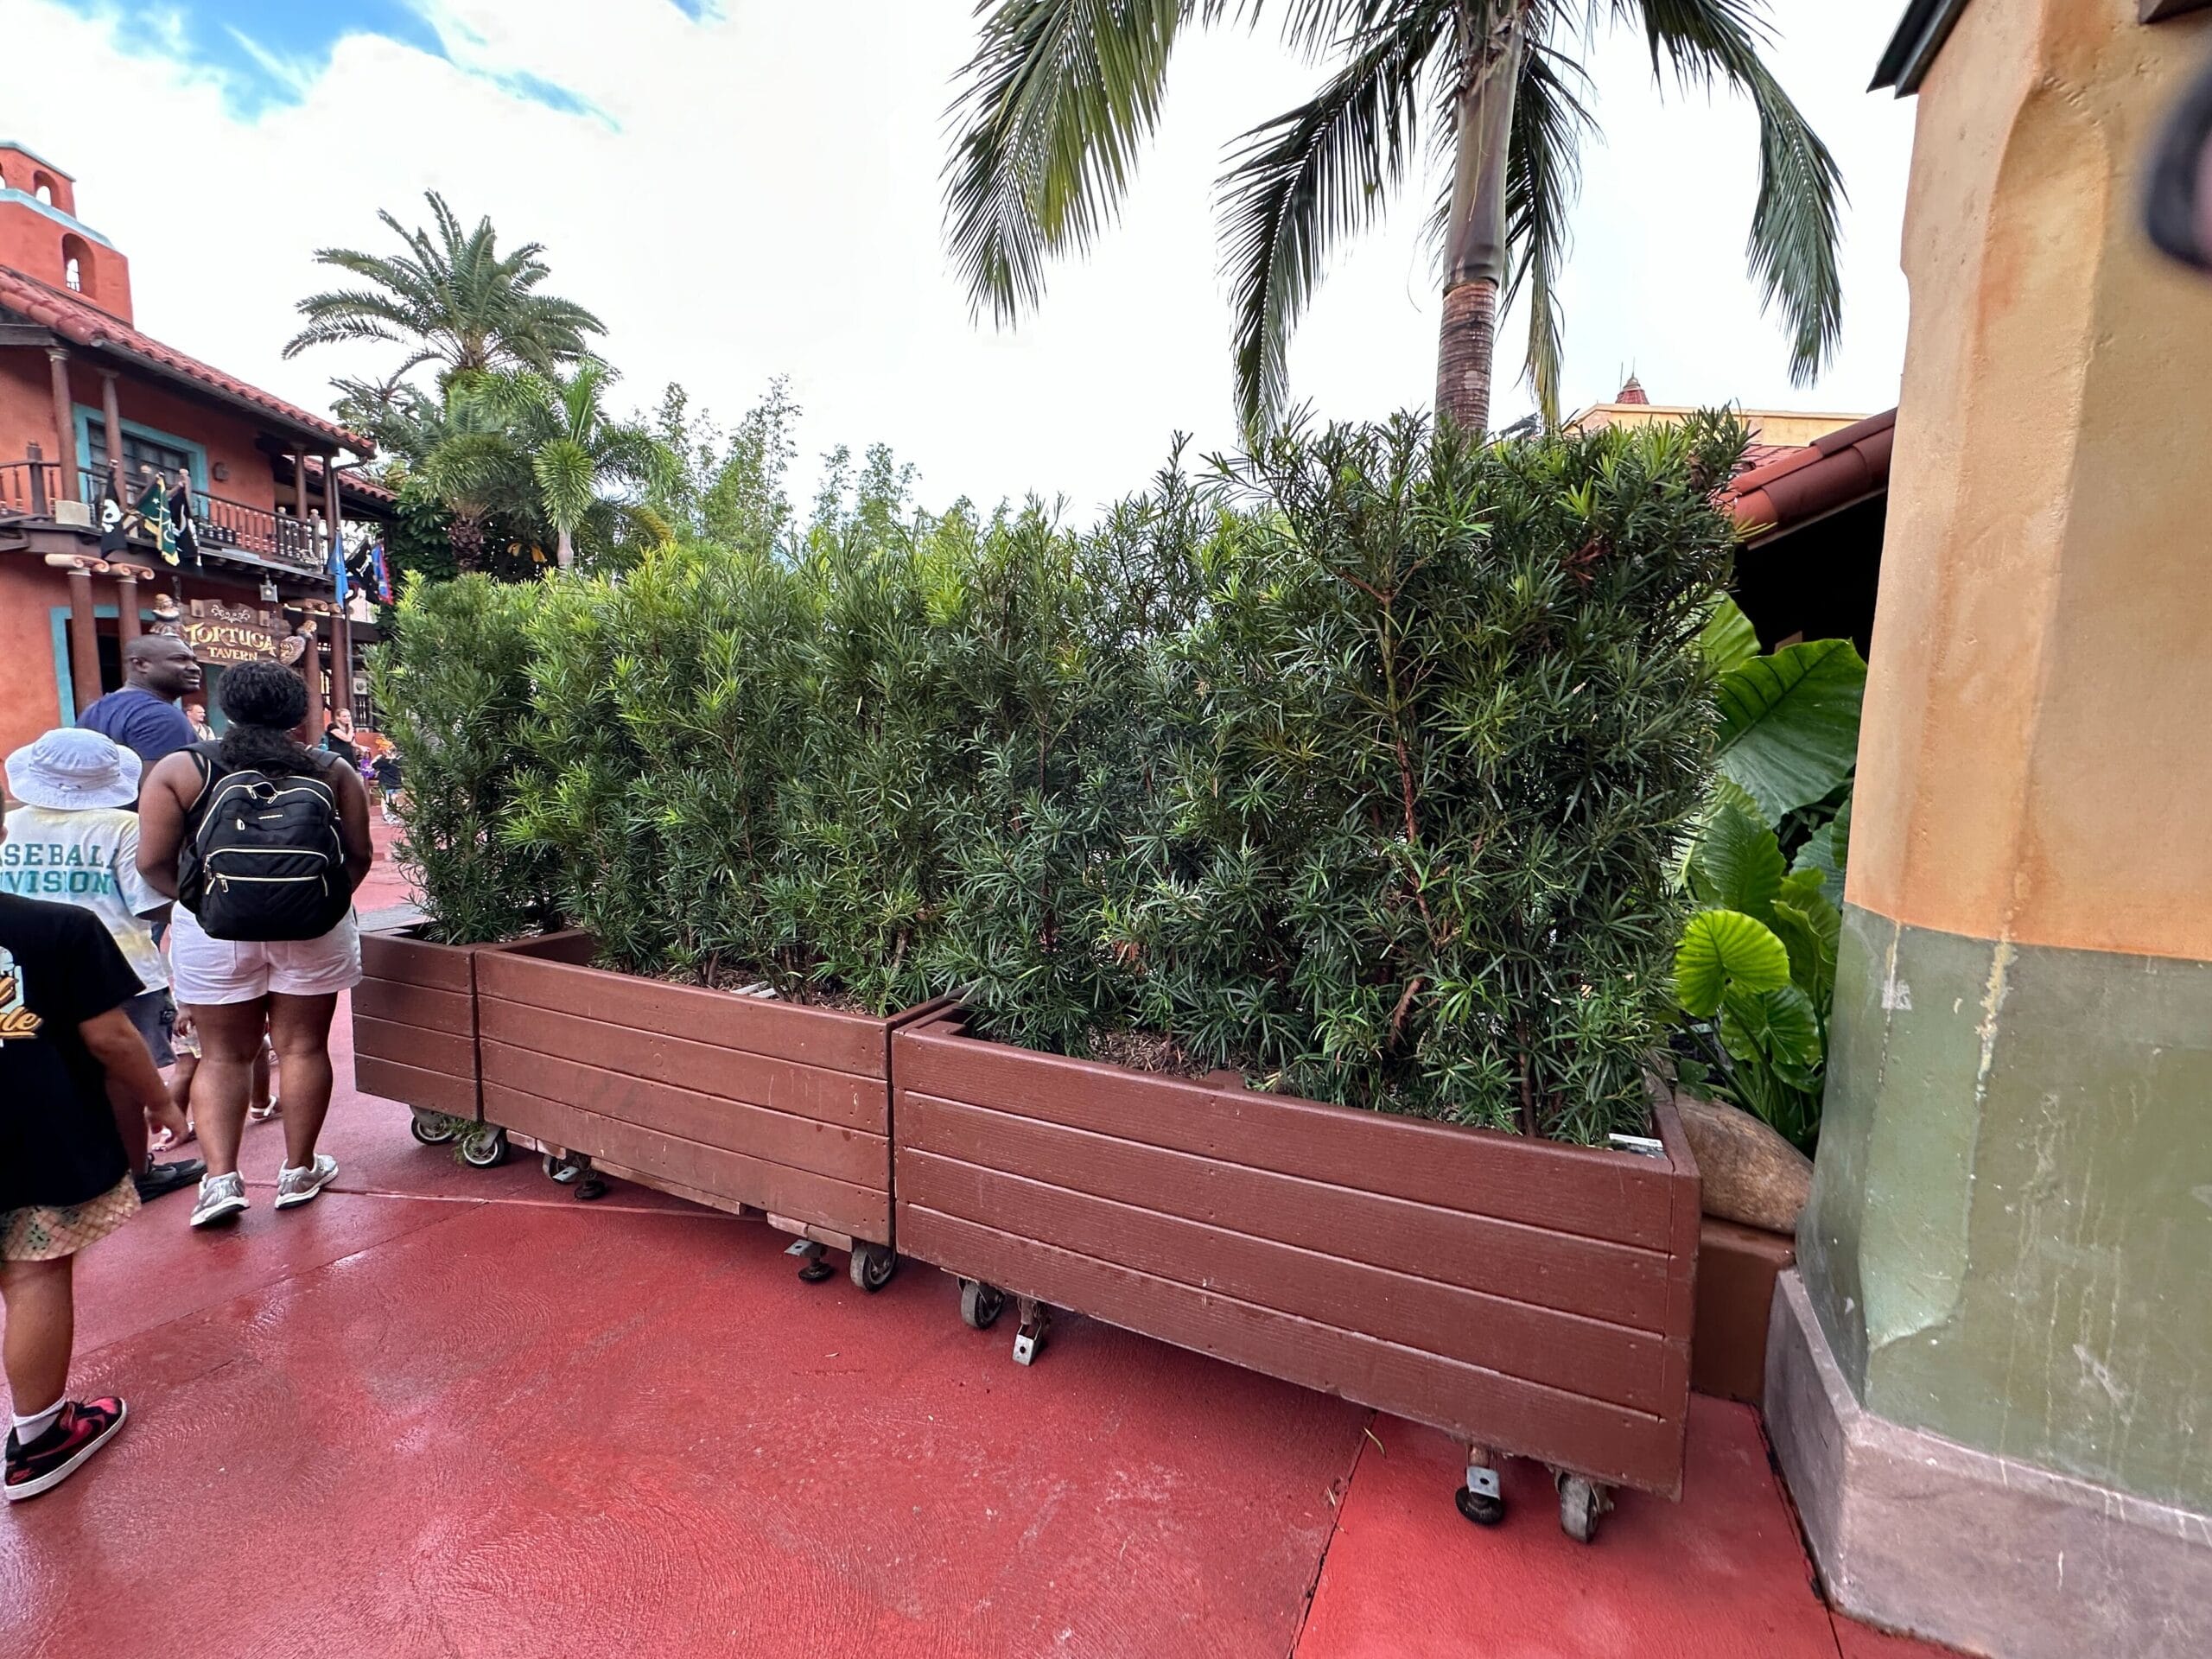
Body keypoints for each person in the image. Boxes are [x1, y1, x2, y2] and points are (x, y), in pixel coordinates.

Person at [137, 663, 372, 1229]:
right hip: (314, 927)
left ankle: (220, 1181)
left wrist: (202, 902)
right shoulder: (333, 768)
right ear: (299, 715)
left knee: (222, 1055)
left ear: (227, 709)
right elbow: (358, 854)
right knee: (302, 1048)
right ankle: (299, 1170)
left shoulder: (182, 768)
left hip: (212, 928)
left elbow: (151, 862)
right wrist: (314, 903)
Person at [1, 820, 172, 1499]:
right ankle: (40, 1437)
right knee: (34, 1270)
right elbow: (111, 1038)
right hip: (31, 1129)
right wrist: (162, 1102)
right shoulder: (57, 929)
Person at [2, 731, 204, 1203]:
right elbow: (149, 901)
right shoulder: (123, 827)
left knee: (40, 1065)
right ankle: (137, 1170)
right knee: (124, 1072)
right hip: (118, 967)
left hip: (22, 966)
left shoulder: (14, 823)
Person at [76, 635, 202, 775]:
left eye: (194, 661)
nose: (195, 668)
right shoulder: (161, 716)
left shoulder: (93, 710)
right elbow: (161, 791)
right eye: (180, 659)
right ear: (140, 664)